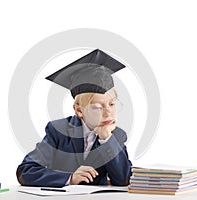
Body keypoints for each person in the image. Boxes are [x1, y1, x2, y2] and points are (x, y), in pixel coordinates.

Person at [16, 49, 132, 187]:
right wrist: (69, 178)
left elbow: (123, 180)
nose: (108, 113)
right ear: (78, 109)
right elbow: (25, 172)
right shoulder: (58, 131)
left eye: (111, 104)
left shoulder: (116, 136)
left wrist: (106, 138)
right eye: (97, 107)